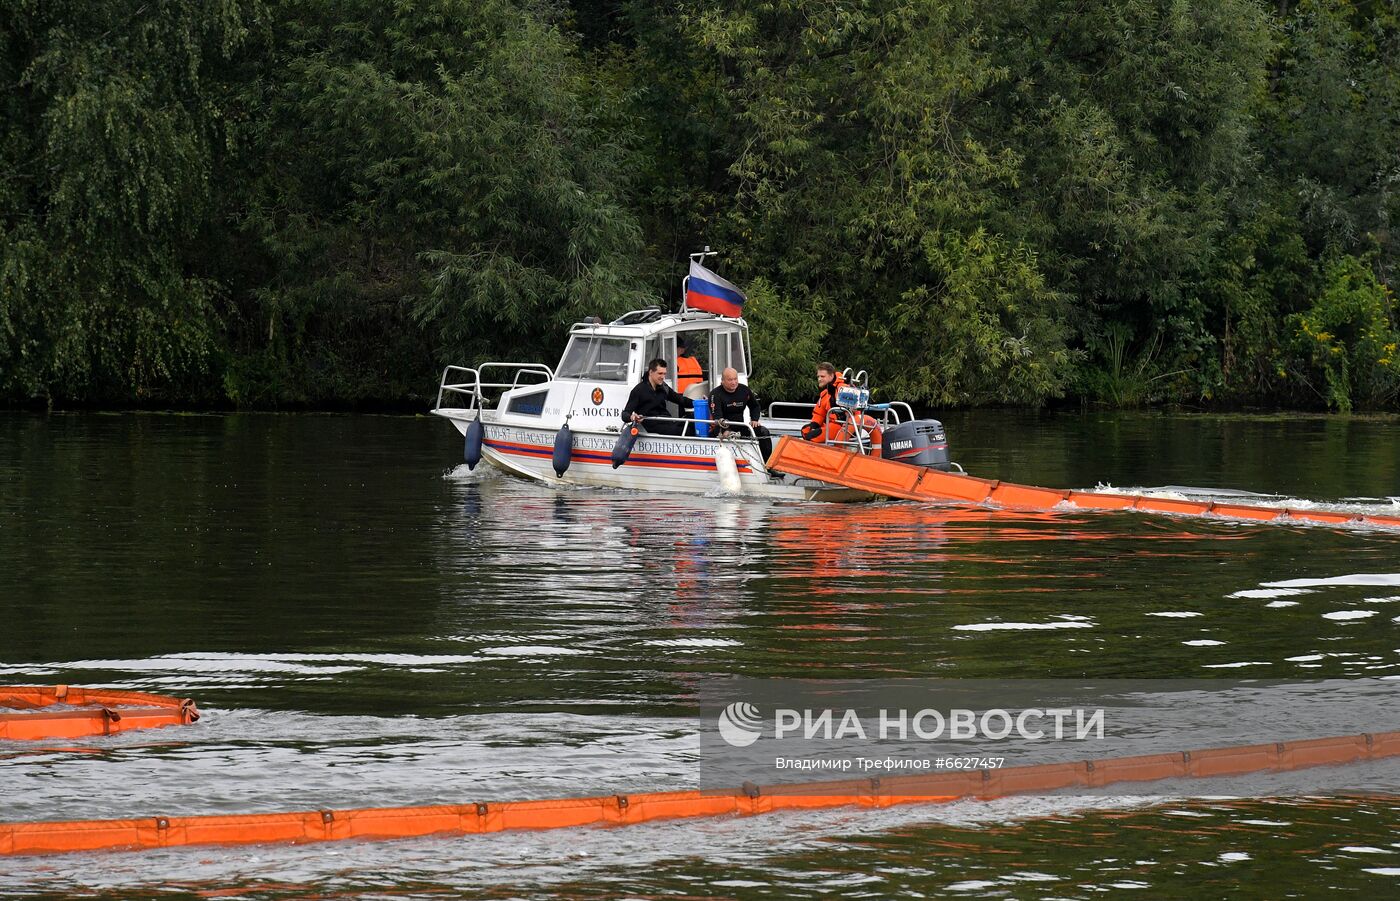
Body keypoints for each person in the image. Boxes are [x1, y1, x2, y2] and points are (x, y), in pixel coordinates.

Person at [709, 367, 772, 461]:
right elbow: (718, 417)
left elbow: (755, 406)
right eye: (730, 380)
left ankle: (767, 465)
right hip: (722, 429)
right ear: (722, 381)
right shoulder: (715, 394)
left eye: (735, 379)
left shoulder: (744, 390)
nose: (734, 382)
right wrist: (726, 430)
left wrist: (754, 419)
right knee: (723, 429)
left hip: (740, 427)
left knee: (764, 432)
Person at [622, 358, 689, 436]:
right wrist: (632, 417)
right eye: (660, 373)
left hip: (667, 421)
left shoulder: (663, 387)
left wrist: (698, 402)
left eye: (664, 374)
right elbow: (625, 414)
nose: (663, 377)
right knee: (683, 431)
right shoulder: (638, 390)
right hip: (652, 425)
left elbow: (680, 399)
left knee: (692, 426)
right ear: (651, 372)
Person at [801, 362, 846, 442]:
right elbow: (819, 413)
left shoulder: (843, 389)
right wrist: (814, 426)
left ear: (831, 376)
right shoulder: (825, 393)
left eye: (822, 376)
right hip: (830, 424)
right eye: (818, 376)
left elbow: (853, 413)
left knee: (812, 436)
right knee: (805, 430)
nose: (819, 379)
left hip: (842, 426)